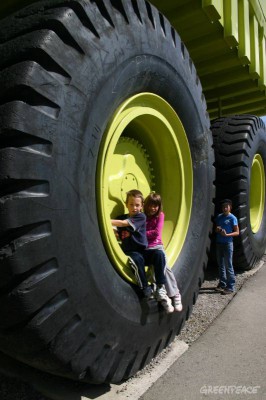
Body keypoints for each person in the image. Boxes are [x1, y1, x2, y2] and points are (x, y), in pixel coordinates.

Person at [144, 192, 183, 313]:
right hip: (146, 247)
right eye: (150, 205)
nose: (152, 208)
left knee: (165, 268)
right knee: (156, 269)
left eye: (155, 205)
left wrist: (141, 234)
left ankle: (175, 294)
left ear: (159, 206)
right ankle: (163, 296)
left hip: (157, 246)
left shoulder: (160, 216)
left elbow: (156, 232)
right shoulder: (143, 216)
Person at [111, 189, 153, 299]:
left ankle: (160, 285)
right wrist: (114, 231)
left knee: (159, 256)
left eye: (137, 205)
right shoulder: (121, 217)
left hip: (143, 250)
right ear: (126, 205)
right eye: (131, 204)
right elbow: (115, 227)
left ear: (142, 206)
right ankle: (144, 287)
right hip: (131, 250)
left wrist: (106, 219)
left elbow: (123, 224)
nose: (134, 207)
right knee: (137, 260)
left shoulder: (140, 217)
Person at [214, 198, 239, 294]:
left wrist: (227, 235)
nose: (224, 208)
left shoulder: (233, 218)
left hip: (228, 244)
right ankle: (222, 283)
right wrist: (218, 230)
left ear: (230, 208)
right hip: (219, 243)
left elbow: (237, 232)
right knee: (221, 265)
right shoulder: (219, 217)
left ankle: (231, 286)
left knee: (228, 265)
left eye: (226, 207)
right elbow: (216, 228)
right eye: (223, 207)